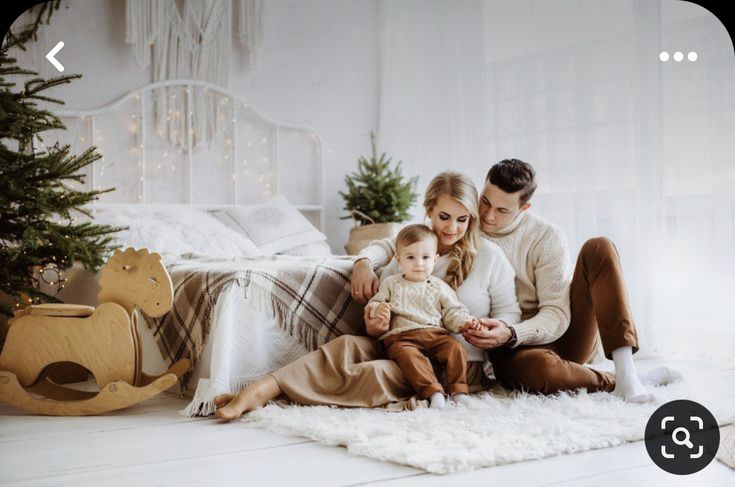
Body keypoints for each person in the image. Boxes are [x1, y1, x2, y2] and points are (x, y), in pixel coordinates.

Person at [355, 159, 682, 402]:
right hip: (513, 351)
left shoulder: (547, 236)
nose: (488, 216)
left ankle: (627, 374)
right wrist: (364, 261)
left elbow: (556, 313)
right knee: (537, 373)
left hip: (558, 330)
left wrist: (513, 331)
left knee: (600, 247)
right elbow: (406, 242)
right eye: (485, 202)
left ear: (524, 207)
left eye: (502, 210)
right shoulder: (465, 222)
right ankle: (616, 381)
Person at [214, 171, 521, 421]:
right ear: (428, 210)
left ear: (471, 218)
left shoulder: (490, 257)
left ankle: (273, 397)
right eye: (443, 217)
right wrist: (364, 270)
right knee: (346, 346)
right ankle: (261, 389)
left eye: (462, 219)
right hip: (398, 341)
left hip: (453, 363)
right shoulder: (409, 244)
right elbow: (381, 250)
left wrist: (497, 332)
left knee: (377, 374)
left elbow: (510, 313)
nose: (451, 228)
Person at [367, 223, 482, 409]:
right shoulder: (391, 283)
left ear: (435, 259)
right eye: (410, 257)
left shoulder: (440, 286)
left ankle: (458, 391)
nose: (419, 263)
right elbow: (376, 302)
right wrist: (377, 310)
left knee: (455, 348)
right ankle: (434, 392)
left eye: (425, 257)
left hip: (436, 334)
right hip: (402, 337)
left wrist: (466, 322)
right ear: (399, 259)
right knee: (408, 356)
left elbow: (453, 311)